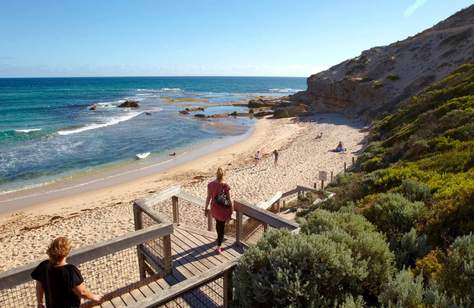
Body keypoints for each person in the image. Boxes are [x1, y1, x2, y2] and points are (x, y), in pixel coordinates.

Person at [31, 237, 101, 308]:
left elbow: (39, 286)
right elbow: (82, 292)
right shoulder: (70, 270)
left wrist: (40, 302)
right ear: (67, 253)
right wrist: (94, 297)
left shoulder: (44, 266)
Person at [204, 168, 233, 254]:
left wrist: (206, 208)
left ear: (216, 174)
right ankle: (219, 247)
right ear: (223, 175)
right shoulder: (226, 186)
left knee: (217, 224)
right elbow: (229, 199)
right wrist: (231, 211)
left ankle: (219, 239)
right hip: (223, 210)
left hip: (214, 209)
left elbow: (208, 197)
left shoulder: (210, 185)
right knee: (222, 228)